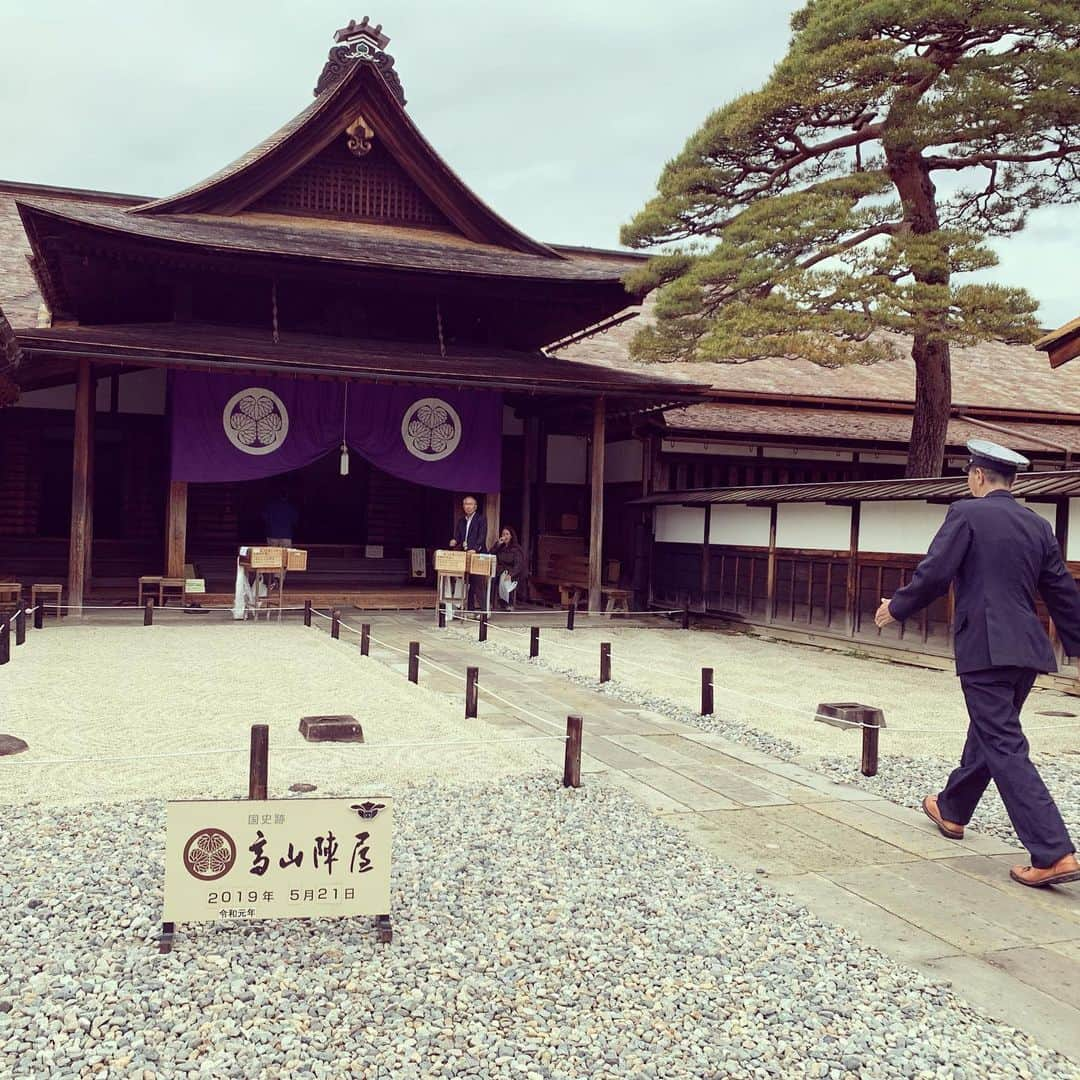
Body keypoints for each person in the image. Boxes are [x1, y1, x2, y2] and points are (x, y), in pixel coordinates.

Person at [875, 438, 1080, 889]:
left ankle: (1053, 851)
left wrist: (898, 608)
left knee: (1004, 743)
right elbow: (1063, 594)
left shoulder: (966, 513)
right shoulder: (1038, 525)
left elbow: (935, 572)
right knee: (991, 733)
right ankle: (952, 809)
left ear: (977, 476)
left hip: (985, 649)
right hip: (1026, 651)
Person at [449, 495, 488, 610]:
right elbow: (458, 537)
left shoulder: (481, 519)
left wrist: (475, 549)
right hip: (465, 555)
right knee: (468, 583)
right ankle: (469, 609)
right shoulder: (461, 521)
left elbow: (482, 537)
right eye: (466, 504)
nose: (468, 507)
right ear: (463, 506)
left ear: (475, 506)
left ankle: (484, 612)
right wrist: (454, 541)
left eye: (471, 504)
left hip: (478, 555)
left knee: (478, 584)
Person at [492, 527, 527, 610]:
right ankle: (495, 602)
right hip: (500, 571)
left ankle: (508, 603)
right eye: (503, 534)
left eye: (507, 534)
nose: (505, 536)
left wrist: (511, 574)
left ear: (511, 536)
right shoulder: (500, 547)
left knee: (505, 579)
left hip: (513, 572)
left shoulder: (516, 549)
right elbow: (491, 554)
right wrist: (497, 545)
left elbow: (519, 565)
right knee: (493, 578)